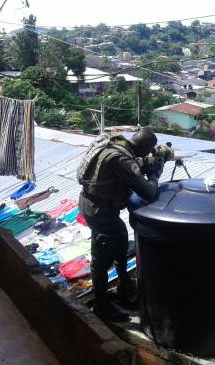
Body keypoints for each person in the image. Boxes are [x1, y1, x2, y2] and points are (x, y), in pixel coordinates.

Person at [78, 129, 163, 322]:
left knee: (120, 244)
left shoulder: (115, 146)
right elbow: (148, 192)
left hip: (94, 205)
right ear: (145, 148)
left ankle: (125, 288)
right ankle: (102, 306)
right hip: (101, 211)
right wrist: (154, 176)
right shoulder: (121, 159)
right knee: (102, 259)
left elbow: (128, 170)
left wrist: (146, 166)